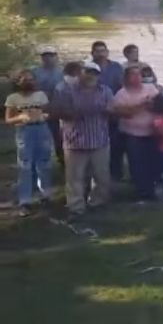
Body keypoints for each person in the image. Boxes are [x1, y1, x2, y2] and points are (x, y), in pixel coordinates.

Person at [57, 62, 114, 217]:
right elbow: (61, 112)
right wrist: (79, 111)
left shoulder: (106, 90)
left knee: (101, 176)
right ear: (80, 73)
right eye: (87, 72)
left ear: (98, 75)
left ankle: (98, 202)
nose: (90, 76)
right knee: (75, 178)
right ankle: (76, 207)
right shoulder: (66, 90)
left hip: (100, 140)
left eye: (94, 73)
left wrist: (106, 109)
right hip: (75, 141)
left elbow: (112, 108)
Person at [4, 70, 52, 216]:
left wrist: (43, 116)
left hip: (41, 129)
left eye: (31, 79)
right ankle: (25, 201)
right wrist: (21, 117)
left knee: (43, 163)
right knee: (25, 166)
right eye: (25, 80)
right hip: (24, 132)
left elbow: (49, 113)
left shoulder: (41, 95)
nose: (28, 82)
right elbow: (8, 119)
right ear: (18, 82)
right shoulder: (13, 98)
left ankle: (45, 196)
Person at [112, 66, 160, 202]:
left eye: (138, 75)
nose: (136, 77)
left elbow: (159, 104)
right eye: (132, 75)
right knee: (137, 163)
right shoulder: (121, 94)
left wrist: (143, 105)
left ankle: (151, 188)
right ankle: (142, 192)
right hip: (131, 134)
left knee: (152, 162)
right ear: (126, 78)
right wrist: (143, 104)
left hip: (152, 132)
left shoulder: (150, 88)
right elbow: (124, 113)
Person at [91, 41, 125, 181]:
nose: (100, 53)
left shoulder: (116, 67)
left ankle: (116, 173)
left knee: (116, 143)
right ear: (92, 53)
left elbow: (123, 86)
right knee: (98, 145)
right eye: (97, 51)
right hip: (95, 112)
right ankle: (98, 175)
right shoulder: (89, 67)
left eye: (102, 50)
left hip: (115, 110)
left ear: (107, 52)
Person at [32, 46, 64, 167]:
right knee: (40, 139)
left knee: (60, 139)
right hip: (40, 110)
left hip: (58, 111)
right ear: (42, 58)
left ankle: (63, 162)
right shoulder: (35, 72)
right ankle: (40, 165)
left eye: (51, 55)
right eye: (45, 56)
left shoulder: (62, 72)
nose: (48, 58)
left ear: (56, 57)